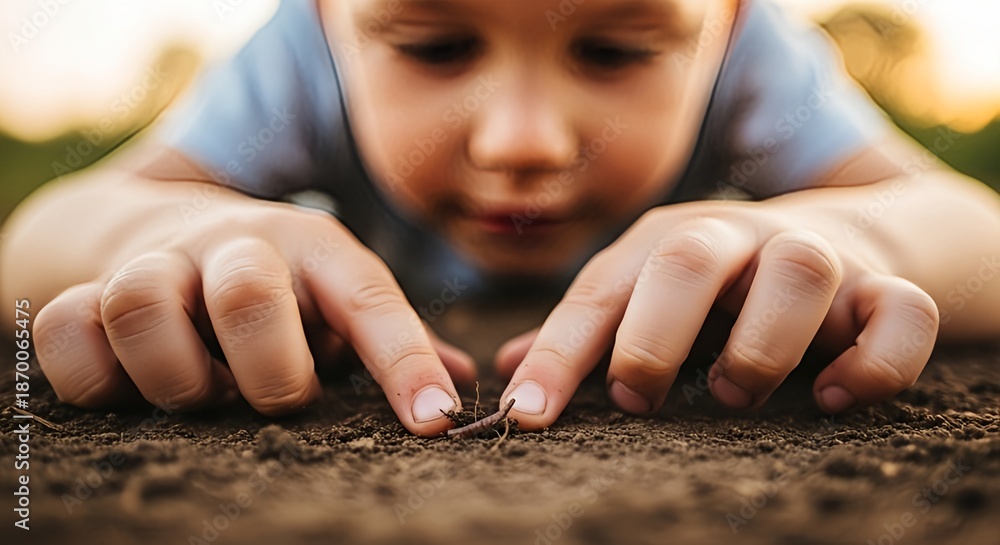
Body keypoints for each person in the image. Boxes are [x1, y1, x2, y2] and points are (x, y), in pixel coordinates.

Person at [2, 0, 999, 437]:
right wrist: (169, 240)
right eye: (434, 45)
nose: (523, 140)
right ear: (326, 17)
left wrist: (858, 238)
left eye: (613, 52)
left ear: (725, 23)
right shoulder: (293, 59)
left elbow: (972, 228)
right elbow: (41, 233)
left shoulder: (753, 58)